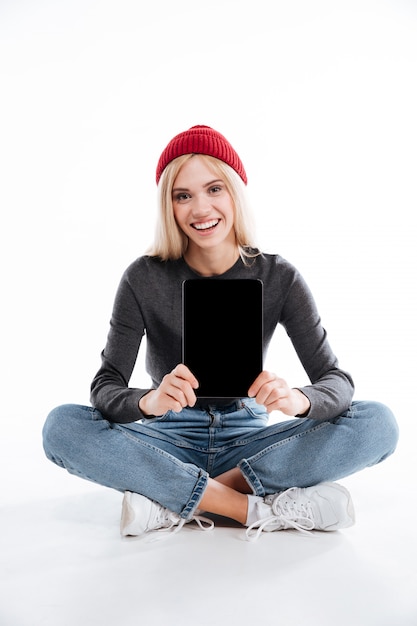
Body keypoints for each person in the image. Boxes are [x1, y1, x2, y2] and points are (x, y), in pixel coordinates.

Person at [42, 125, 399, 541]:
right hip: (166, 436)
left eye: (214, 189)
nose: (200, 208)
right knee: (61, 427)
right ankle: (251, 508)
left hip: (249, 442)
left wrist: (298, 400)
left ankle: (171, 499)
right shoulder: (142, 278)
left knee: (378, 423)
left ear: (235, 193)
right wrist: (150, 400)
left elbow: (336, 382)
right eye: (183, 195)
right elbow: (105, 388)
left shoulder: (279, 276)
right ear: (169, 207)